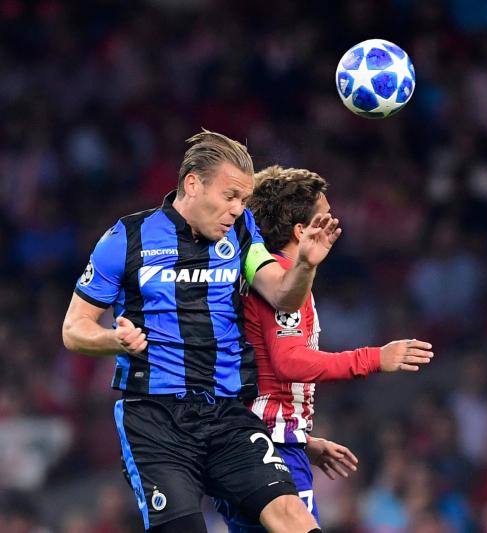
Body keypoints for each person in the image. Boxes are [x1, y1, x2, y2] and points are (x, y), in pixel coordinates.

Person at [61, 130, 338, 533]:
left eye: (243, 200)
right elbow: (73, 329)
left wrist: (305, 266)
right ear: (193, 184)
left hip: (226, 413)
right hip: (155, 419)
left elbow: (282, 294)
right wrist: (112, 340)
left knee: (291, 516)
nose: (237, 209)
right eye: (230, 197)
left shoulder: (243, 233)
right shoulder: (126, 238)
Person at [217, 166, 434, 531]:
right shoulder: (284, 280)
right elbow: (289, 362)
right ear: (302, 232)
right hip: (271, 449)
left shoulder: (267, 279)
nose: (335, 224)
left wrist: (303, 440)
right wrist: (376, 358)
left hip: (254, 443)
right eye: (326, 218)